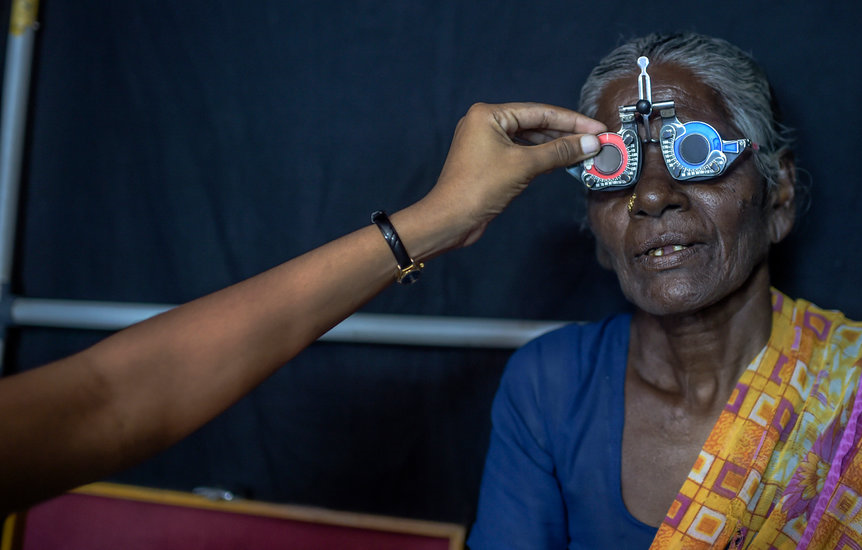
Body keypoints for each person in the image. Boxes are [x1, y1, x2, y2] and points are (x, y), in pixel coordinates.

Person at [468, 33, 862, 549]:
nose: (651, 195)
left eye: (694, 152)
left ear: (779, 195)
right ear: (596, 228)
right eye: (614, 165)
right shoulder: (550, 388)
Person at [0, 102, 605, 515]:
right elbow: (110, 402)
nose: (653, 198)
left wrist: (433, 222)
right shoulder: (548, 383)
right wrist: (433, 222)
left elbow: (111, 398)